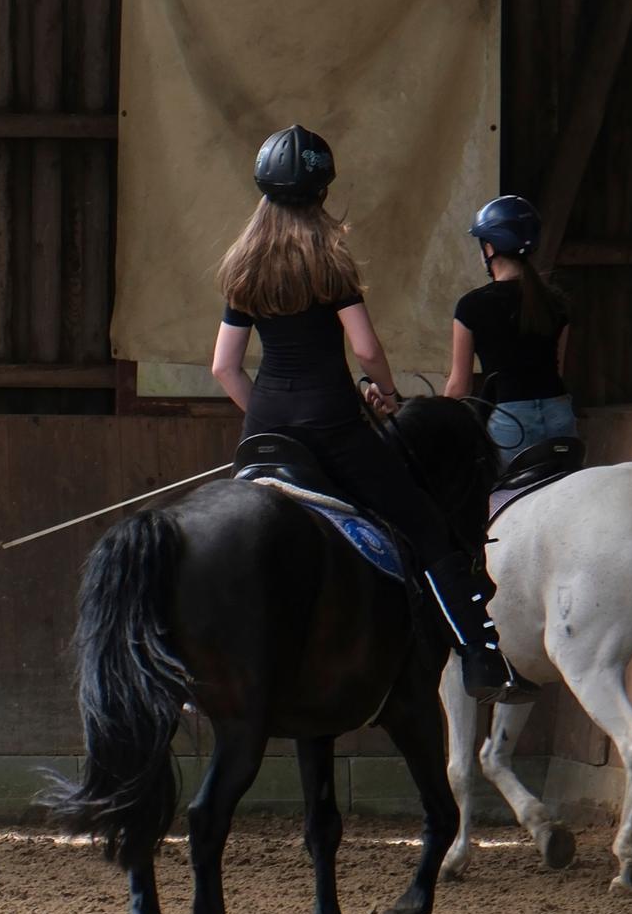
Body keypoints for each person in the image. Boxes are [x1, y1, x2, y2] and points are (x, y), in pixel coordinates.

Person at [207, 126, 523, 701]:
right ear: (322, 194)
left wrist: (268, 422)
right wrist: (388, 395)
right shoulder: (331, 262)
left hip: (265, 432)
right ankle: (481, 655)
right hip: (334, 427)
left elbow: (225, 367)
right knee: (426, 525)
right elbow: (367, 349)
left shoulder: (241, 266)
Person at [445, 194, 580, 478]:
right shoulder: (556, 302)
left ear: (489, 247)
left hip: (510, 425)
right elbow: (560, 370)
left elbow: (460, 387)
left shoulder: (471, 306)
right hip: (559, 416)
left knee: (492, 505)